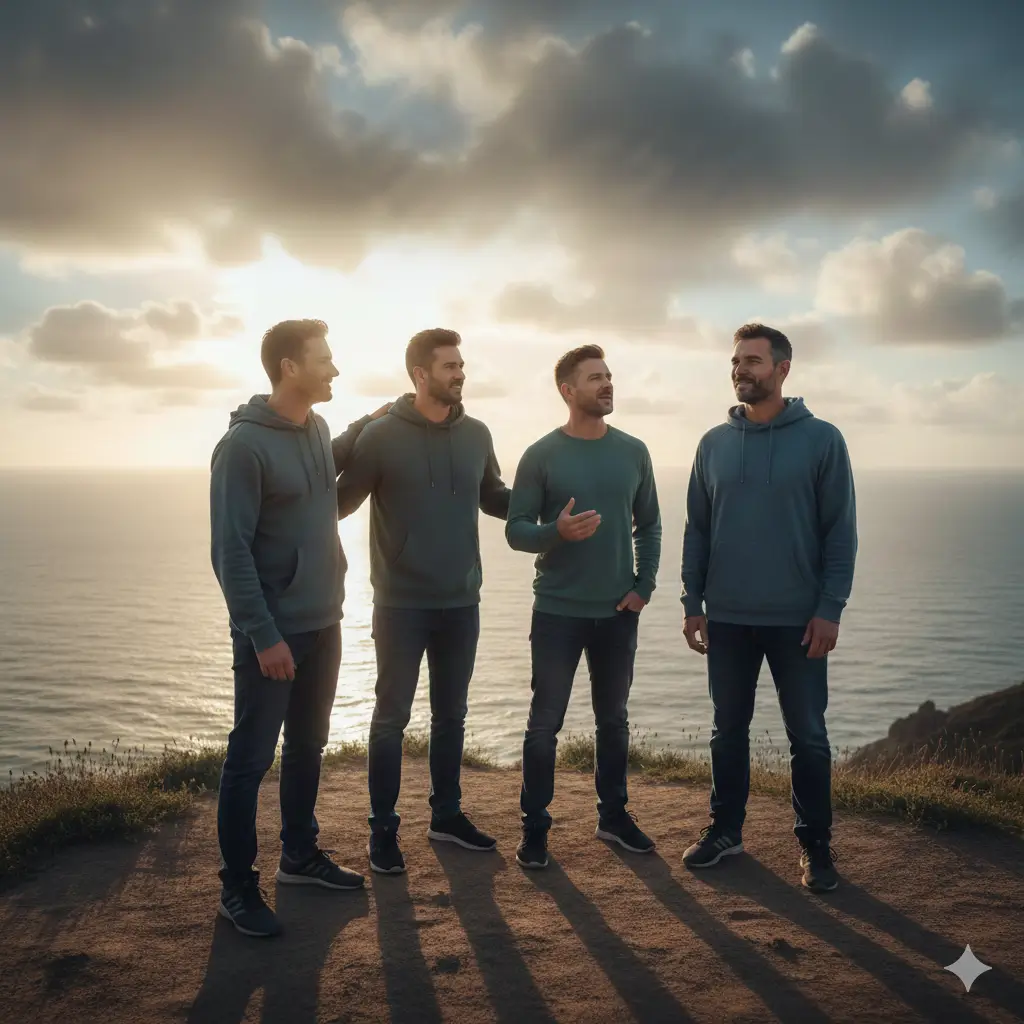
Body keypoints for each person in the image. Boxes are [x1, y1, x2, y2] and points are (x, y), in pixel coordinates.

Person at [210, 318, 388, 937]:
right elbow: (228, 552)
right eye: (324, 360)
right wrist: (263, 636)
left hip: (325, 621)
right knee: (250, 761)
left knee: (308, 748)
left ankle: (299, 855)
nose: (334, 368)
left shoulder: (312, 428)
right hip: (274, 636)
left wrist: (371, 421)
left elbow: (325, 471)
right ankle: (236, 888)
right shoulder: (242, 448)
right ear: (289, 366)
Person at [679, 323, 857, 893]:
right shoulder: (712, 444)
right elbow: (697, 531)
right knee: (726, 731)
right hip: (727, 617)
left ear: (783, 369)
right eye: (736, 361)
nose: (741, 370)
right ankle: (726, 830)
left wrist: (830, 608)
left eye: (753, 361)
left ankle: (816, 847)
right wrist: (693, 601)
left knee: (807, 735)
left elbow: (841, 533)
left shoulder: (823, 440)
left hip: (797, 621)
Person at [336, 328, 510, 874]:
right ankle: (383, 830)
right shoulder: (382, 437)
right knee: (391, 718)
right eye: (449, 366)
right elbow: (339, 503)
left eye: (461, 365)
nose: (460, 374)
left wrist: (547, 508)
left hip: (462, 601)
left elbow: (494, 497)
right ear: (420, 374)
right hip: (400, 604)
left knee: (451, 716)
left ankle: (447, 815)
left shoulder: (477, 433)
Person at [505, 344, 662, 870]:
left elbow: (651, 525)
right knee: (543, 724)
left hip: (618, 612)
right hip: (557, 613)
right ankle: (535, 829)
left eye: (609, 376)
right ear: (568, 390)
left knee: (613, 721)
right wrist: (557, 532)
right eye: (595, 378)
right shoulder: (540, 455)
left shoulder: (634, 451)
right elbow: (516, 530)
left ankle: (613, 817)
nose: (607, 384)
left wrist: (644, 585)